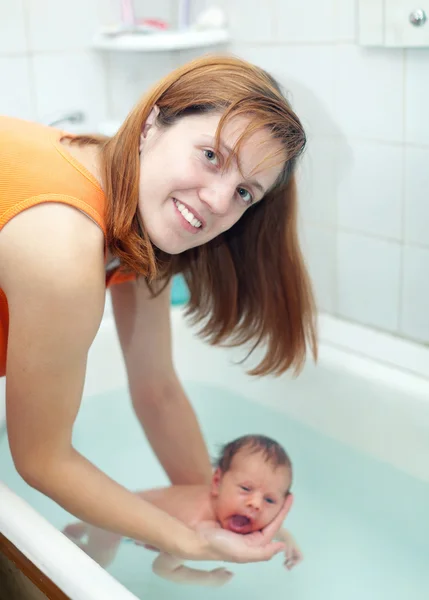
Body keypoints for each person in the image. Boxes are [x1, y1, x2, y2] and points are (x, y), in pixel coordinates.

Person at [0, 54, 316, 563]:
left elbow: (157, 388)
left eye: (243, 192)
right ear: (152, 123)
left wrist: (219, 514)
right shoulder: (61, 243)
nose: (217, 201)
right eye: (212, 155)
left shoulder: (135, 210)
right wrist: (187, 540)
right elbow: (41, 459)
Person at [63, 435, 302, 587]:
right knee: (98, 559)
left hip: (139, 499)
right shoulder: (196, 526)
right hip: (113, 522)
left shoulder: (230, 506)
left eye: (270, 500)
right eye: (246, 488)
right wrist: (206, 579)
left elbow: (260, 522)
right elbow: (161, 569)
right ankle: (69, 543)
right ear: (217, 482)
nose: (256, 504)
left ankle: (82, 526)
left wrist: (287, 539)